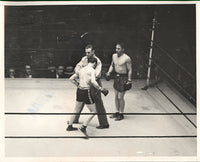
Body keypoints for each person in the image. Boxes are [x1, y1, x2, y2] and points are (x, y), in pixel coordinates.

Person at [66, 57, 109, 133]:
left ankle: (70, 126)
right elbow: (93, 81)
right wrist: (100, 88)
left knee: (76, 109)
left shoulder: (82, 70)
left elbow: (71, 78)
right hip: (86, 91)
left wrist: (78, 84)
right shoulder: (92, 70)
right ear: (95, 64)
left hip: (79, 90)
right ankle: (83, 126)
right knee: (94, 111)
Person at [73, 44, 109, 129]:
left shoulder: (97, 61)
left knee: (98, 102)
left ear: (93, 51)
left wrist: (85, 74)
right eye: (86, 52)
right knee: (80, 99)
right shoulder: (84, 59)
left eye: (89, 52)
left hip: (94, 82)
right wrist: (78, 72)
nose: (87, 54)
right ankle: (74, 119)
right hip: (84, 82)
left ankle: (104, 123)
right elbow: (77, 67)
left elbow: (96, 75)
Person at [106, 43, 132, 121]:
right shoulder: (114, 56)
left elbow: (130, 70)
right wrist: (109, 72)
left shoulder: (127, 58)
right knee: (116, 96)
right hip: (116, 77)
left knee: (121, 97)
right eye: (116, 48)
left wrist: (129, 80)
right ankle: (117, 112)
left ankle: (121, 113)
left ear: (123, 49)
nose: (117, 50)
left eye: (119, 48)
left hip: (123, 78)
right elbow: (112, 65)